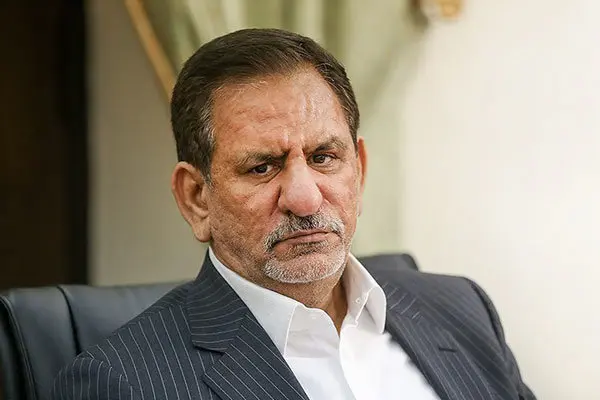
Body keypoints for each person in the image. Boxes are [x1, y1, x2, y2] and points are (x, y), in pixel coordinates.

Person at [52, 28, 535, 400]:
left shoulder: (462, 308)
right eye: (262, 167)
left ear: (359, 171)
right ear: (196, 198)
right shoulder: (121, 383)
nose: (305, 199)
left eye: (324, 157)